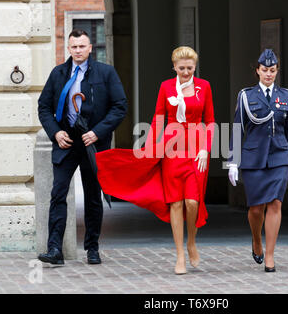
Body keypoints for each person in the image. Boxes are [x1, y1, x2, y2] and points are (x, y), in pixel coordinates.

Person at [96, 46, 215, 275]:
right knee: (176, 202)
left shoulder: (204, 87)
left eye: (190, 68)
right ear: (174, 67)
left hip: (196, 149)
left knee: (193, 202)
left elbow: (209, 120)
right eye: (182, 68)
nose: (186, 72)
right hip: (171, 148)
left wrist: (205, 149)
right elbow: (158, 118)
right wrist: (148, 148)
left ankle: (192, 242)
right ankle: (180, 254)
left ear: (195, 67)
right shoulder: (166, 87)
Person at [37, 29, 127, 265]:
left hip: (92, 143)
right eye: (73, 47)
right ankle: (55, 249)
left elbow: (120, 106)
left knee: (93, 196)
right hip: (66, 142)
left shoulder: (106, 73)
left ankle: (92, 248)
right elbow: (44, 107)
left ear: (90, 48)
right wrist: (56, 133)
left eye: (82, 46)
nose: (78, 50)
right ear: (69, 48)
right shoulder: (58, 74)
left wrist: (97, 132)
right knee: (58, 194)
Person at [228, 49, 288, 272]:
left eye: (272, 70)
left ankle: (270, 255)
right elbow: (237, 128)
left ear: (277, 71)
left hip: (280, 155)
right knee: (256, 208)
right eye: (264, 70)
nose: (268, 74)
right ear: (257, 70)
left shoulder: (286, 95)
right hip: (253, 157)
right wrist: (232, 160)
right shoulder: (246, 96)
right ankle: (256, 240)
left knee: (275, 204)